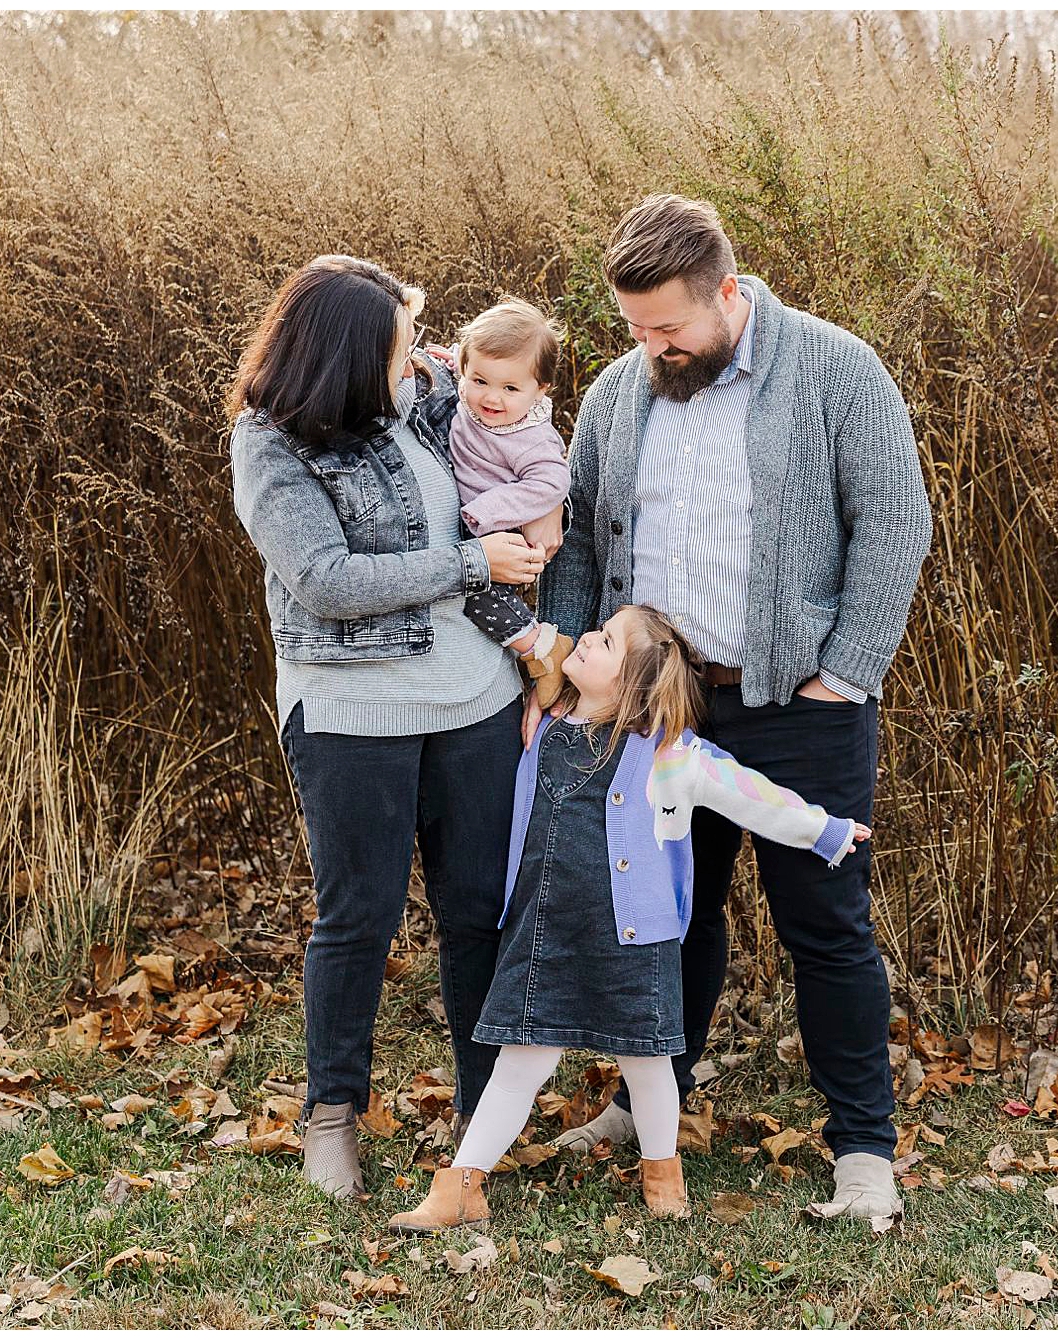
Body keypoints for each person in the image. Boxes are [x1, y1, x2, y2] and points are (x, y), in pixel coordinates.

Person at [535, 194, 932, 1221]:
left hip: (798, 701)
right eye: (634, 328)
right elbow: (579, 540)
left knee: (824, 921)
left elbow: (893, 521)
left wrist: (842, 671)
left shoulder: (837, 369)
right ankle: (646, 1099)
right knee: (666, 915)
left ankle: (861, 1152)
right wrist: (563, 676)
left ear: (726, 289)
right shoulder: (622, 392)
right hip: (660, 704)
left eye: (669, 326)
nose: (652, 346)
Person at [225, 255, 559, 1198]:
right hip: (350, 712)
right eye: (405, 351)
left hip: (475, 702)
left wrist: (545, 511)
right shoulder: (271, 444)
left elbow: (522, 410)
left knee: (477, 915)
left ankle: (481, 1119)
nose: (423, 364)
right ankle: (333, 1116)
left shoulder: (427, 396)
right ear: (346, 356)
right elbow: (323, 580)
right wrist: (470, 562)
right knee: (357, 919)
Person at [387, 604, 870, 1232]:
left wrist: (823, 831)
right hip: (545, 934)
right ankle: (461, 1186)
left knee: (649, 1065)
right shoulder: (544, 728)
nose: (588, 636)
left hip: (633, 939)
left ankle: (661, 1171)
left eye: (608, 640)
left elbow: (751, 794)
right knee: (520, 1061)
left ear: (636, 686)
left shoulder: (670, 755)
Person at [444, 298, 576, 706]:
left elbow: (552, 482)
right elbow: (465, 366)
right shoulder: (473, 393)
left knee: (475, 595)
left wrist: (487, 510)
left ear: (541, 390)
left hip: (500, 528)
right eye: (479, 380)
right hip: (476, 519)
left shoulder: (528, 437)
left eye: (510, 388)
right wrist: (443, 362)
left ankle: (540, 648)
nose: (492, 398)